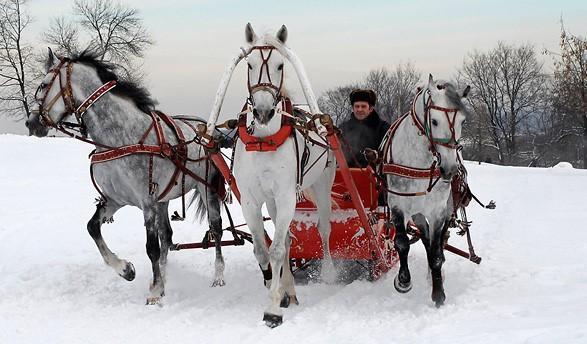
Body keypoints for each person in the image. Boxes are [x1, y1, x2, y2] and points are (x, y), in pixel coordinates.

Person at [338, 89, 390, 167]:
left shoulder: (383, 128)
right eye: (357, 106)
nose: (359, 109)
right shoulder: (343, 128)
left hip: (376, 175)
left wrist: (376, 157)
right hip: (346, 174)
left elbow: (390, 153)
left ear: (371, 109)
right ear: (353, 108)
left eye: (363, 106)